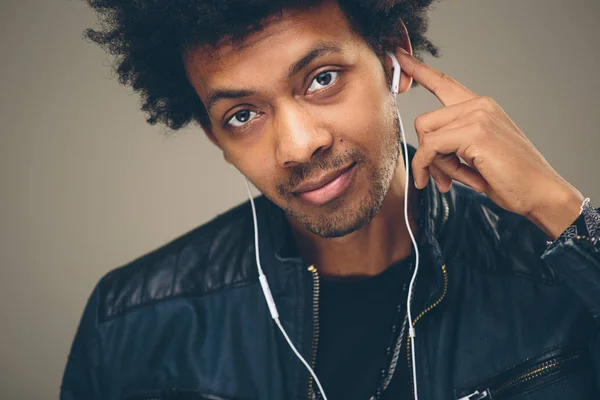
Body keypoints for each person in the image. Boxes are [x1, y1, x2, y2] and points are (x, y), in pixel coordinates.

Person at [61, 0, 600, 399]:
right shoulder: (132, 321)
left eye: (321, 78)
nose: (299, 146)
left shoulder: (556, 277)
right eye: (242, 115)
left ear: (394, 60)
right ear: (216, 140)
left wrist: (560, 208)